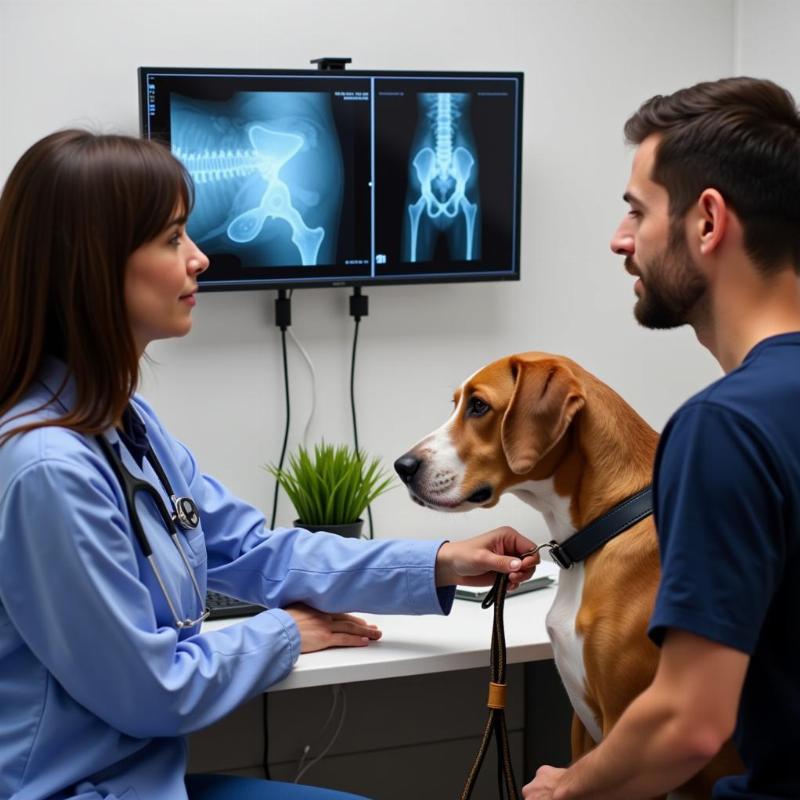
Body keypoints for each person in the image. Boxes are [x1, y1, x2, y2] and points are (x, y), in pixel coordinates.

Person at [0, 129, 539, 800]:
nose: (198, 259)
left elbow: (254, 551)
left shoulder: (123, 426)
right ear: (92, 265)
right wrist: (281, 634)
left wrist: (438, 563)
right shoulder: (49, 468)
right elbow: (152, 692)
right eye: (172, 240)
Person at [525, 77, 800, 799]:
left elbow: (687, 723)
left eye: (636, 212)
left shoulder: (727, 428)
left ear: (707, 222)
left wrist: (564, 789)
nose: (621, 239)